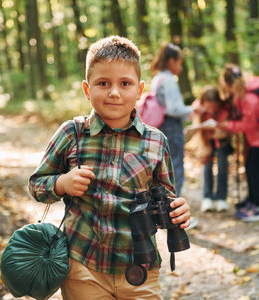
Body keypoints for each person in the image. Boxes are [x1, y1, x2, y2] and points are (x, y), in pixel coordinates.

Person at [28, 36, 191, 300]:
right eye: (103, 83)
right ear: (87, 89)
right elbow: (36, 184)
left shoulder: (155, 141)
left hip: (141, 268)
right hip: (83, 266)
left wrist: (179, 210)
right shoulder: (72, 134)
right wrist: (62, 183)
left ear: (139, 91)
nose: (114, 92)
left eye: (124, 84)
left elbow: (167, 196)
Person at [218, 63, 259, 221]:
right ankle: (252, 201)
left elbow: (247, 125)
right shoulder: (243, 96)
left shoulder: (249, 99)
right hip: (256, 140)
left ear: (228, 84)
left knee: (255, 174)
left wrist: (227, 125)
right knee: (251, 172)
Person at [150, 43, 195, 198]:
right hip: (172, 127)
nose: (181, 68)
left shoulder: (157, 78)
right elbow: (173, 109)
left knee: (163, 169)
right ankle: (174, 212)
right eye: (179, 63)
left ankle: (166, 209)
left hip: (160, 126)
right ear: (171, 61)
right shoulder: (169, 80)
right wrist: (192, 110)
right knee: (175, 168)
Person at [191, 86, 233, 212]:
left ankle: (221, 198)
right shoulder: (199, 109)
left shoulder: (225, 111)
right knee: (207, 166)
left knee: (222, 166)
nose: (211, 109)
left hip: (222, 141)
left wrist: (218, 129)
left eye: (214, 106)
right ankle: (207, 198)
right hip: (206, 141)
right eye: (208, 106)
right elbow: (194, 123)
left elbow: (226, 131)